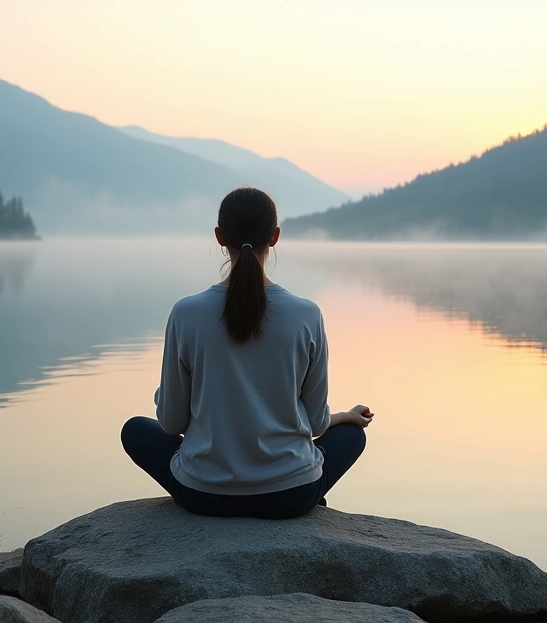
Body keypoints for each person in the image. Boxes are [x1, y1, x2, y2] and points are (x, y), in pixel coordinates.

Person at [121, 187, 373, 519]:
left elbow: (170, 424)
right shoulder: (306, 314)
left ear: (219, 236)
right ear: (275, 237)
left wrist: (180, 402)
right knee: (352, 436)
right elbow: (315, 424)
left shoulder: (186, 313)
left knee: (135, 430)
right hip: (291, 497)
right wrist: (343, 417)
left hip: (203, 496)